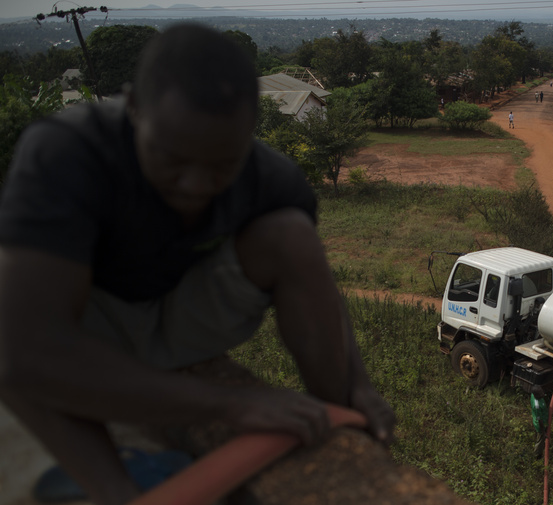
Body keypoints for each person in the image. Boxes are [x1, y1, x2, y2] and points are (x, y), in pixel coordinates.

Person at [0, 24, 394, 505]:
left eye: (221, 166)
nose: (195, 184)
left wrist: (360, 385)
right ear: (134, 109)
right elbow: (26, 354)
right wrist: (232, 405)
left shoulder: (269, 176)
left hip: (178, 322)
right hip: (89, 330)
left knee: (292, 234)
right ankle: (115, 490)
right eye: (172, 159)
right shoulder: (66, 151)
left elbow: (320, 291)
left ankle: (334, 422)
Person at [529, 386, 549, 458]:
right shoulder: (537, 406)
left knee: (540, 438)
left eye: (542, 392)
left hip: (542, 420)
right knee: (540, 440)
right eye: (540, 394)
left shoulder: (534, 395)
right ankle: (536, 455)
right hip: (540, 425)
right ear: (536, 395)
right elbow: (539, 420)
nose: (543, 394)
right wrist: (543, 431)